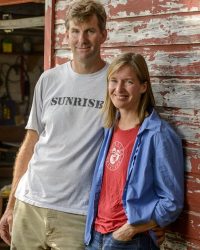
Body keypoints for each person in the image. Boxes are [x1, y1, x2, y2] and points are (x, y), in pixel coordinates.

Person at [0, 1, 108, 249]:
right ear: (66, 34)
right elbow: (31, 142)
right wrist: (12, 205)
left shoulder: (114, 84)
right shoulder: (49, 79)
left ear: (103, 34)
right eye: (75, 31)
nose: (82, 39)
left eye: (90, 31)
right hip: (30, 204)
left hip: (78, 212)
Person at [85, 52, 184, 250]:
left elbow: (172, 202)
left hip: (130, 241)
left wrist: (131, 229)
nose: (119, 89)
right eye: (113, 81)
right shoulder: (108, 129)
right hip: (95, 236)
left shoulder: (158, 134)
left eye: (128, 82)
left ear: (143, 86)